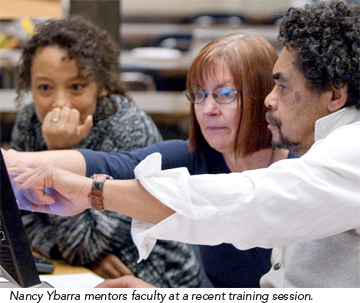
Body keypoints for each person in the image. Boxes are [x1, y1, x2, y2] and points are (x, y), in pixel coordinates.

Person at [7, 0, 360, 288]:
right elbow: (102, 163)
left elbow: (247, 203)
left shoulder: (348, 152)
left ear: (334, 93)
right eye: (199, 94)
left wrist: (93, 192)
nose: (270, 99)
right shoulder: (202, 155)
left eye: (282, 86)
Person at [10, 16, 205, 288]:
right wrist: (78, 256)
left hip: (154, 278)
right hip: (78, 272)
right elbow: (16, 220)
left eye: (76, 87)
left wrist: (61, 152)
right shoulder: (30, 121)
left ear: (100, 85)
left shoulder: (127, 127)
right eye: (44, 88)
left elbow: (85, 244)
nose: (60, 103)